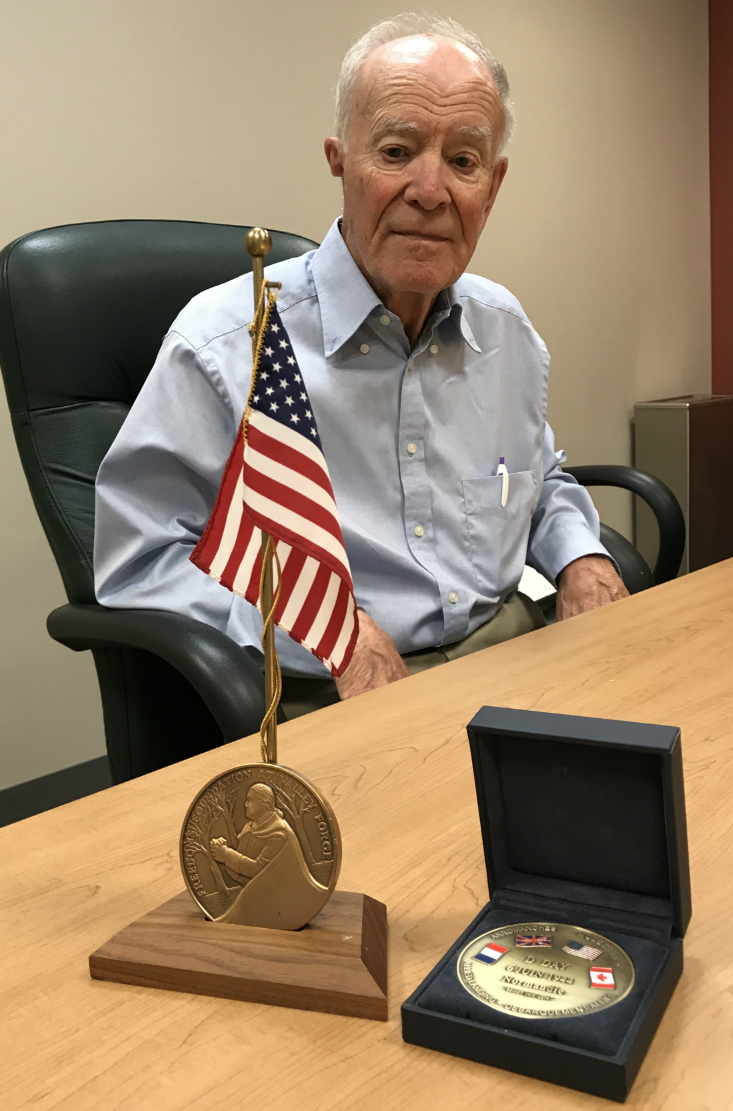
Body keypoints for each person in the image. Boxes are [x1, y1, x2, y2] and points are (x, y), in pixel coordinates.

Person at [94, 13, 628, 718]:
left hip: (512, 655)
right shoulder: (231, 344)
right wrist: (331, 634)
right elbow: (142, 558)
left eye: (463, 162)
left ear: (491, 187)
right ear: (340, 159)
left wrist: (581, 556)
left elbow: (536, 478)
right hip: (340, 690)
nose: (431, 190)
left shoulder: (505, 330)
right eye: (398, 151)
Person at [209, 783, 327, 929]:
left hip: (284, 900)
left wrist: (227, 855)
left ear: (263, 804)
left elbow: (257, 870)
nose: (245, 805)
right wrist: (223, 848)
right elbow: (243, 868)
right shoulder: (252, 827)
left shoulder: (278, 834)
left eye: (250, 800)